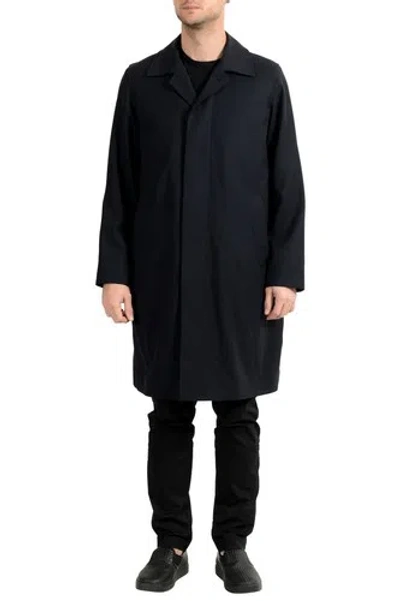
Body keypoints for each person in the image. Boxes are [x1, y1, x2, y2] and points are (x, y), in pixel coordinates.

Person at [95, 0, 305, 594]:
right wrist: (115, 273)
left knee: (239, 413)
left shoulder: (263, 79)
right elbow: (120, 182)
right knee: (169, 412)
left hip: (241, 278)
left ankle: (233, 546)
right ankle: (171, 545)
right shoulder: (142, 80)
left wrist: (285, 273)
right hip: (162, 276)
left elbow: (287, 183)